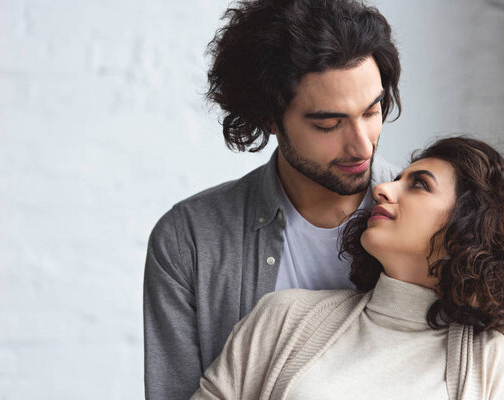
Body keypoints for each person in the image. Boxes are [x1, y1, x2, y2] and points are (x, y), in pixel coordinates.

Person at [143, 0, 402, 398]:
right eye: (329, 123)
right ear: (269, 117)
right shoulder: (190, 241)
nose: (361, 145)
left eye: (372, 111)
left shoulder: (434, 219)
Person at [191, 137, 504, 400]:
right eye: (398, 177)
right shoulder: (284, 318)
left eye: (419, 185)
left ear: (468, 228)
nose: (383, 188)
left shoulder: (487, 361)